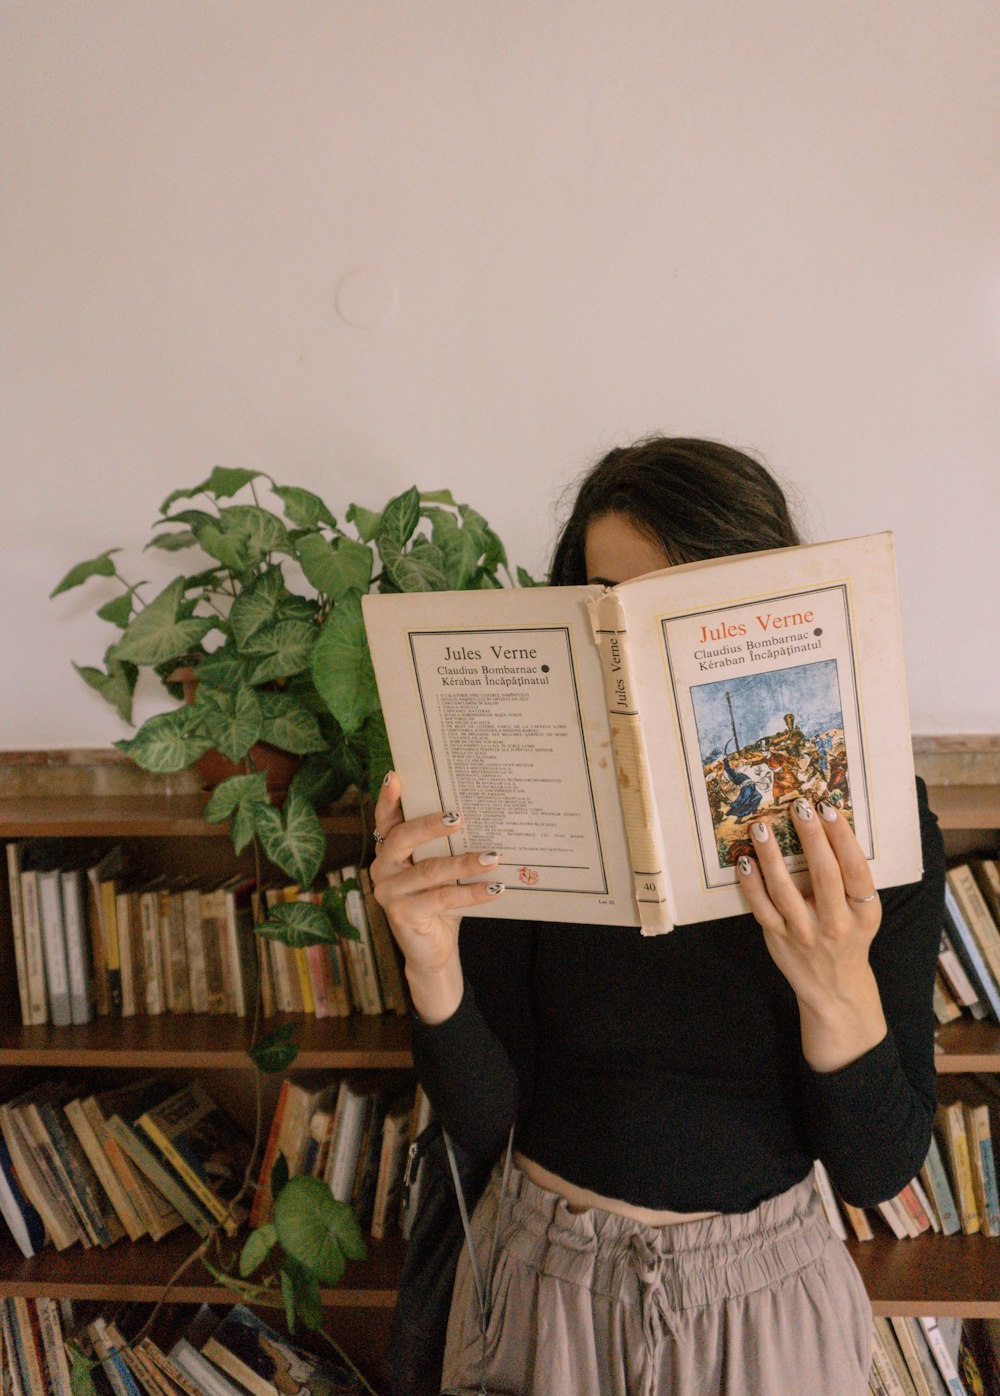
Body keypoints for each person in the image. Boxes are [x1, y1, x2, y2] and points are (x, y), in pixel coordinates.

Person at [370, 436, 946, 1396]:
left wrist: (836, 980)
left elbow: (876, 1166)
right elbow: (487, 1119)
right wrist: (432, 965)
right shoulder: (528, 808)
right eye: (609, 606)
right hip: (549, 1289)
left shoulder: (878, 822)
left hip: (763, 1305)